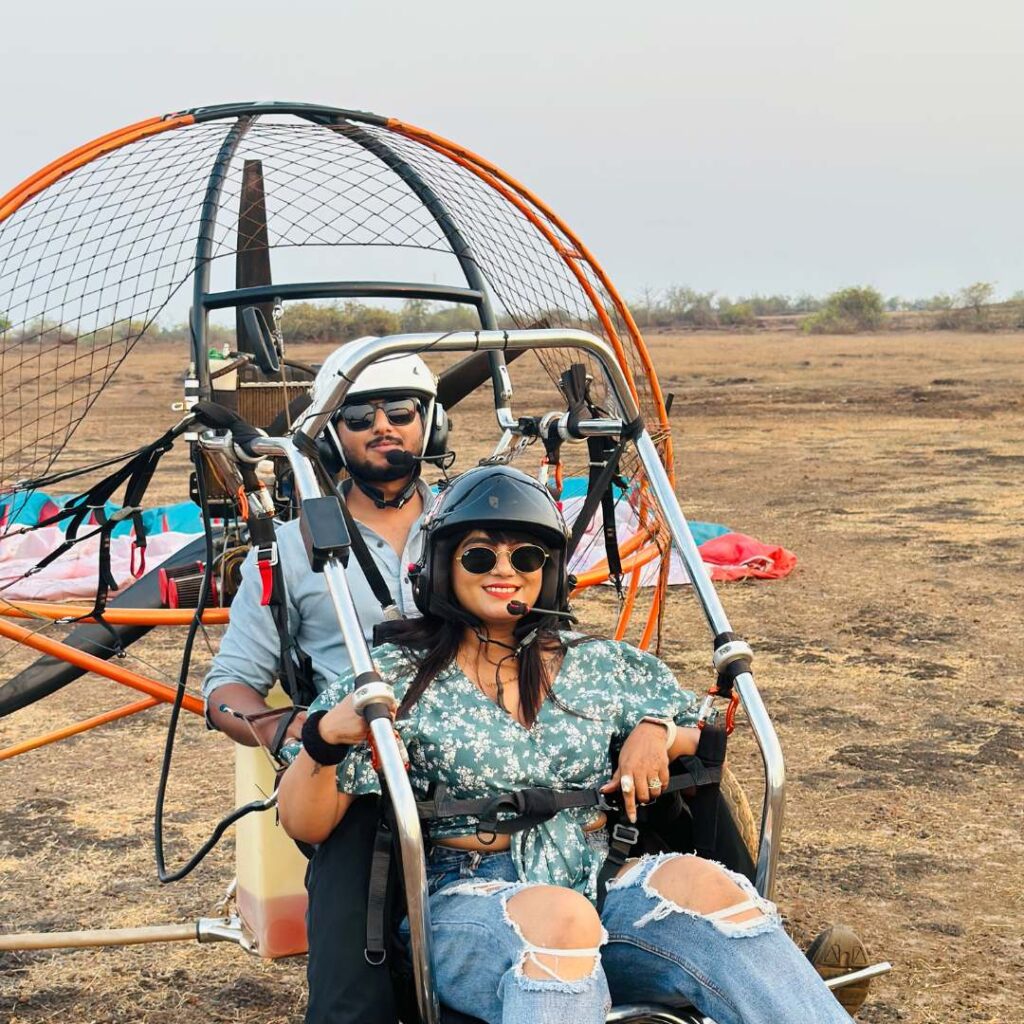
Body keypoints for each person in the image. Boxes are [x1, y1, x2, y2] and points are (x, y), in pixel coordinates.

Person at [278, 464, 856, 1024]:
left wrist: (655, 733)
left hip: (596, 878)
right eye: (480, 555)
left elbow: (707, 726)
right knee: (562, 921)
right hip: (464, 905)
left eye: (525, 557)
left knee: (709, 888)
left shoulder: (599, 666)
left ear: (548, 570)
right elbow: (307, 823)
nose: (504, 569)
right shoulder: (395, 677)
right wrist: (326, 739)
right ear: (440, 567)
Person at [203, 346, 447, 1024]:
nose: (382, 428)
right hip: (359, 782)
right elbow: (227, 688)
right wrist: (297, 732)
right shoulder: (286, 550)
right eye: (359, 416)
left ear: (433, 424)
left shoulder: (477, 523)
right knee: (351, 995)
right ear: (333, 433)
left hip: (482, 749)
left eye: (400, 412)